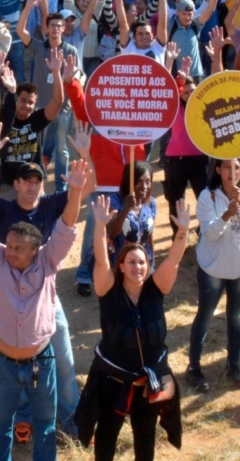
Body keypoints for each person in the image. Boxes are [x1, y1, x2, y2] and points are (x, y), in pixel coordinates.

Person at [0, 158, 85, 460]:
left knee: (46, 426)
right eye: (9, 245)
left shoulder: (49, 260)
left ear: (35, 250)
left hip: (42, 363)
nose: (10, 251)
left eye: (17, 248)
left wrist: (75, 192)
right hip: (3, 366)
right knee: (1, 426)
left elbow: (65, 228)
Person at [76, 197, 190, 461]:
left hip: (147, 382)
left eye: (142, 262)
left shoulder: (156, 288)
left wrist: (183, 230)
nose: (137, 267)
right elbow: (102, 261)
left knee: (145, 433)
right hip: (112, 380)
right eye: (131, 262)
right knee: (106, 433)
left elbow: (173, 260)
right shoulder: (108, 290)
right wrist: (100, 227)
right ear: (122, 266)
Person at [186, 159, 240, 393]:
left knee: (236, 316)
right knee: (205, 315)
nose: (233, 172)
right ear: (218, 170)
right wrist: (226, 215)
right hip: (214, 268)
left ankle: (234, 365)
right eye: (227, 167)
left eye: (237, 167)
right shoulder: (207, 196)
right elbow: (209, 233)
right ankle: (194, 368)